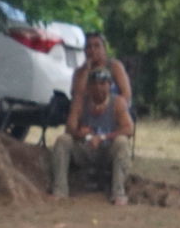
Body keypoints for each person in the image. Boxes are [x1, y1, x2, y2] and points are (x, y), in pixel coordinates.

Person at [51, 67, 134, 204]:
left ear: (109, 85)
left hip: (108, 150)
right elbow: (69, 127)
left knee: (122, 142)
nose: (98, 88)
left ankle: (118, 192)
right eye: (94, 84)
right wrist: (80, 133)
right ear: (88, 86)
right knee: (63, 140)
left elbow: (129, 129)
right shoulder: (81, 102)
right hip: (85, 149)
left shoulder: (117, 102)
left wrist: (104, 137)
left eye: (102, 84)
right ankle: (60, 190)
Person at [70, 31, 134, 113]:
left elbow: (126, 94)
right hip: (90, 112)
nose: (92, 50)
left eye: (97, 46)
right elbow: (76, 97)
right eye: (89, 47)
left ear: (104, 49)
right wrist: (86, 71)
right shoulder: (79, 72)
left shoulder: (115, 66)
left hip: (115, 111)